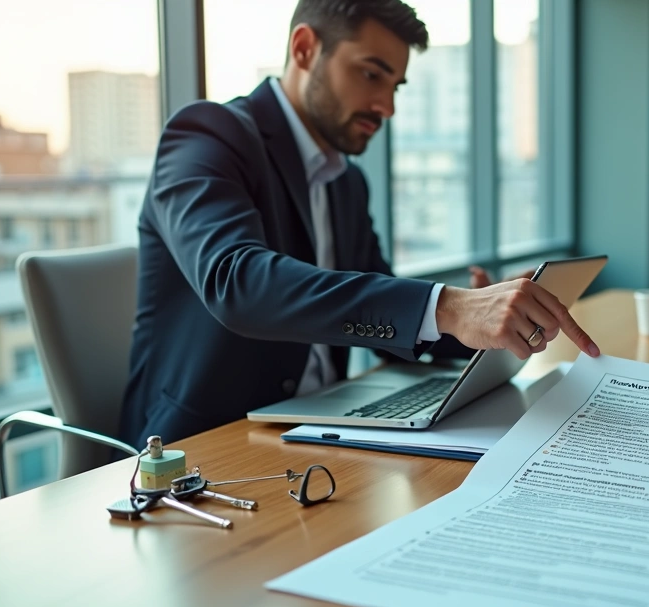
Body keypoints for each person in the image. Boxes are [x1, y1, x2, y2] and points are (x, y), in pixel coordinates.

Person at [119, 0, 598, 448]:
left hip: (316, 432)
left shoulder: (344, 181)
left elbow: (381, 317)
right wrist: (450, 307)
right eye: (372, 74)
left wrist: (484, 314)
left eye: (395, 87)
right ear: (305, 49)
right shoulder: (208, 134)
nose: (386, 107)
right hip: (206, 446)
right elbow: (238, 282)